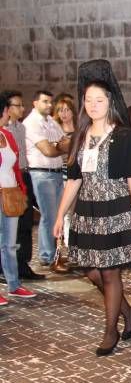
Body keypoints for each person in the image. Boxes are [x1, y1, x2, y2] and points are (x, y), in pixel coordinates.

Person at [54, 59, 131, 356]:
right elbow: (73, 181)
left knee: (110, 274)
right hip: (88, 214)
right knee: (91, 271)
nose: (93, 105)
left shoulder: (124, 136)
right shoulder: (80, 138)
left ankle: (111, 331)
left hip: (115, 211)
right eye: (88, 100)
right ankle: (128, 311)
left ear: (110, 102)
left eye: (100, 100)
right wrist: (59, 216)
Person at [23, 90, 70, 266]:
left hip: (57, 171)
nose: (49, 105)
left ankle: (54, 254)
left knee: (57, 215)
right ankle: (47, 255)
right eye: (45, 102)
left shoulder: (51, 121)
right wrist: (58, 146)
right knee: (49, 216)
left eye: (50, 102)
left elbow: (67, 141)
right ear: (35, 103)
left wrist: (57, 145)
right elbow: (48, 150)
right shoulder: (31, 123)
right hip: (42, 173)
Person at [0, 94, 38, 303]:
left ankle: (13, 284)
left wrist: (21, 188)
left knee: (9, 243)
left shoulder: (7, 135)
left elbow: (14, 166)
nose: (9, 114)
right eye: (7, 110)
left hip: (11, 193)